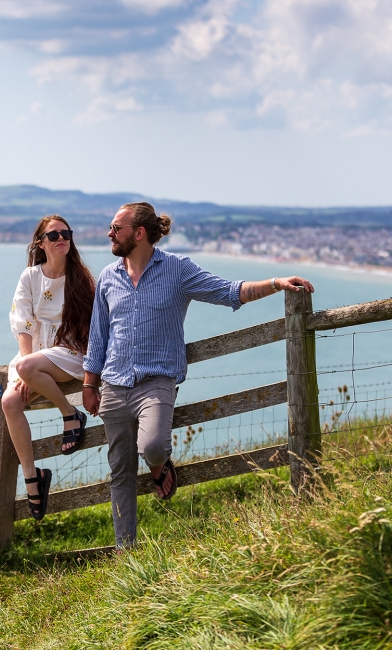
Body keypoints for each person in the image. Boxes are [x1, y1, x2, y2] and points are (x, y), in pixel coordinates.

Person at [82, 202, 315, 549]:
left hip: (157, 382)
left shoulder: (177, 269)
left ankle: (160, 469)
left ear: (139, 232)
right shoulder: (107, 277)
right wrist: (90, 383)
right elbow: (98, 335)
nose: (110, 233)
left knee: (154, 447)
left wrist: (276, 282)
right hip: (114, 385)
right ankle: (124, 549)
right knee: (120, 471)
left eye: (116, 227)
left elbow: (229, 291)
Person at [2, 214, 96, 521]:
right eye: (53, 235)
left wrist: (29, 367)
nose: (61, 239)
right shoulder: (30, 276)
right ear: (41, 243)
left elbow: (96, 325)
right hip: (36, 354)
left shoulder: (80, 277)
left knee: (27, 369)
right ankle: (33, 478)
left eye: (65, 234)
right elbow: (23, 322)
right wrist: (25, 366)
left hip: (71, 351)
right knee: (8, 400)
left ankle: (71, 415)